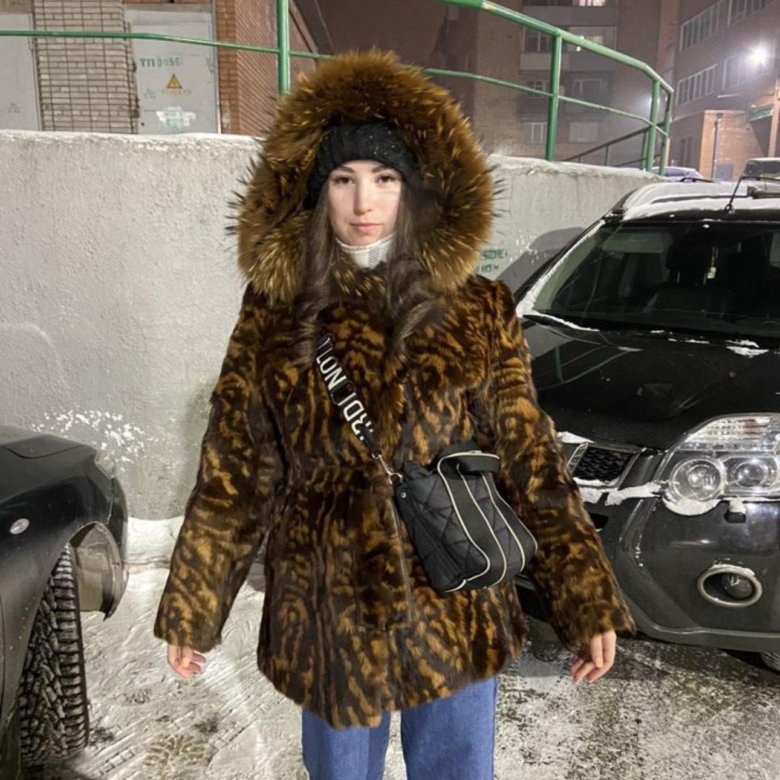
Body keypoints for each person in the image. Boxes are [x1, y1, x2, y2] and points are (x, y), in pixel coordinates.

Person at [154, 49, 635, 780]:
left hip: (456, 594)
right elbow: (235, 471)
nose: (363, 202)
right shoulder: (275, 313)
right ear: (316, 191)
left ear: (414, 188)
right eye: (343, 179)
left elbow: (530, 458)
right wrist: (196, 605)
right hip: (329, 607)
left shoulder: (476, 307)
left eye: (384, 177)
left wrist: (584, 596)